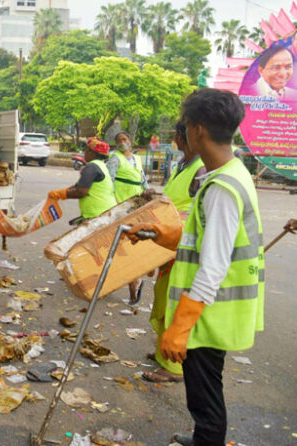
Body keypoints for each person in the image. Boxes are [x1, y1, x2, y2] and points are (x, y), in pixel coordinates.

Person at [126, 89, 264, 446]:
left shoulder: (221, 188)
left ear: (199, 130)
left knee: (205, 399)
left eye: (186, 126)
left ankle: (207, 441)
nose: (184, 134)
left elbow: (214, 265)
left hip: (208, 312)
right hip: (212, 310)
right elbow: (206, 241)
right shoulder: (231, 172)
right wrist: (163, 234)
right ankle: (204, 438)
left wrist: (179, 328)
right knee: (205, 388)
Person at [141, 121, 205, 383]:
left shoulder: (201, 169)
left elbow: (199, 212)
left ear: (183, 135)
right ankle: (162, 352)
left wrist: (171, 220)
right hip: (169, 245)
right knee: (162, 299)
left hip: (183, 248)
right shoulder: (183, 165)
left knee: (173, 303)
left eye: (175, 135)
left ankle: (174, 367)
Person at [107, 131, 148, 304]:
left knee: (132, 243)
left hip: (137, 207)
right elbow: (110, 181)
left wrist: (147, 196)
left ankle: (135, 281)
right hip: (121, 206)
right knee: (120, 244)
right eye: (120, 140)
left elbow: (143, 179)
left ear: (131, 141)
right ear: (116, 144)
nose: (123, 142)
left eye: (125, 139)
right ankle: (132, 281)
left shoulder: (137, 159)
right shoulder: (115, 158)